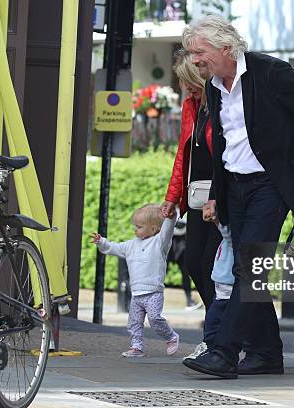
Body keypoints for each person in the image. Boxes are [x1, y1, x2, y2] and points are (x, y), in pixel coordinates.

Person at [181, 15, 294, 379]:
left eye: (199, 51)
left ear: (225, 47)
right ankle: (265, 354)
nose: (194, 59)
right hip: (235, 185)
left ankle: (224, 352)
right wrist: (216, 194)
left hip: (271, 184)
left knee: (251, 266)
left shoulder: (270, 72)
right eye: (191, 52)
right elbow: (224, 145)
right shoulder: (214, 86)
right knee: (245, 268)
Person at [162, 49, 221, 310]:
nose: (189, 95)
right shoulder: (191, 107)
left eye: (193, 90)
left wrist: (219, 197)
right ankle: (218, 323)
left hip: (220, 195)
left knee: (212, 262)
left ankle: (220, 330)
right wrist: (172, 197)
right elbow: (182, 154)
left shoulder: (222, 107)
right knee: (194, 262)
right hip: (197, 196)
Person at [91, 204, 180, 357]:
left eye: (139, 226)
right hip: (136, 294)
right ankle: (136, 347)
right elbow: (114, 247)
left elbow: (167, 230)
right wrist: (102, 242)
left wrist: (171, 217)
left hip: (153, 292)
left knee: (155, 319)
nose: (135, 229)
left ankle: (171, 337)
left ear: (153, 229)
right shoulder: (131, 245)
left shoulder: (160, 243)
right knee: (134, 322)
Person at [184, 217, 234, 361]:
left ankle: (211, 349)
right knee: (212, 323)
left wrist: (217, 220)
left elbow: (226, 231)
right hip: (220, 291)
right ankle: (209, 348)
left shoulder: (230, 240)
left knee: (214, 324)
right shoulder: (225, 243)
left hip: (226, 292)